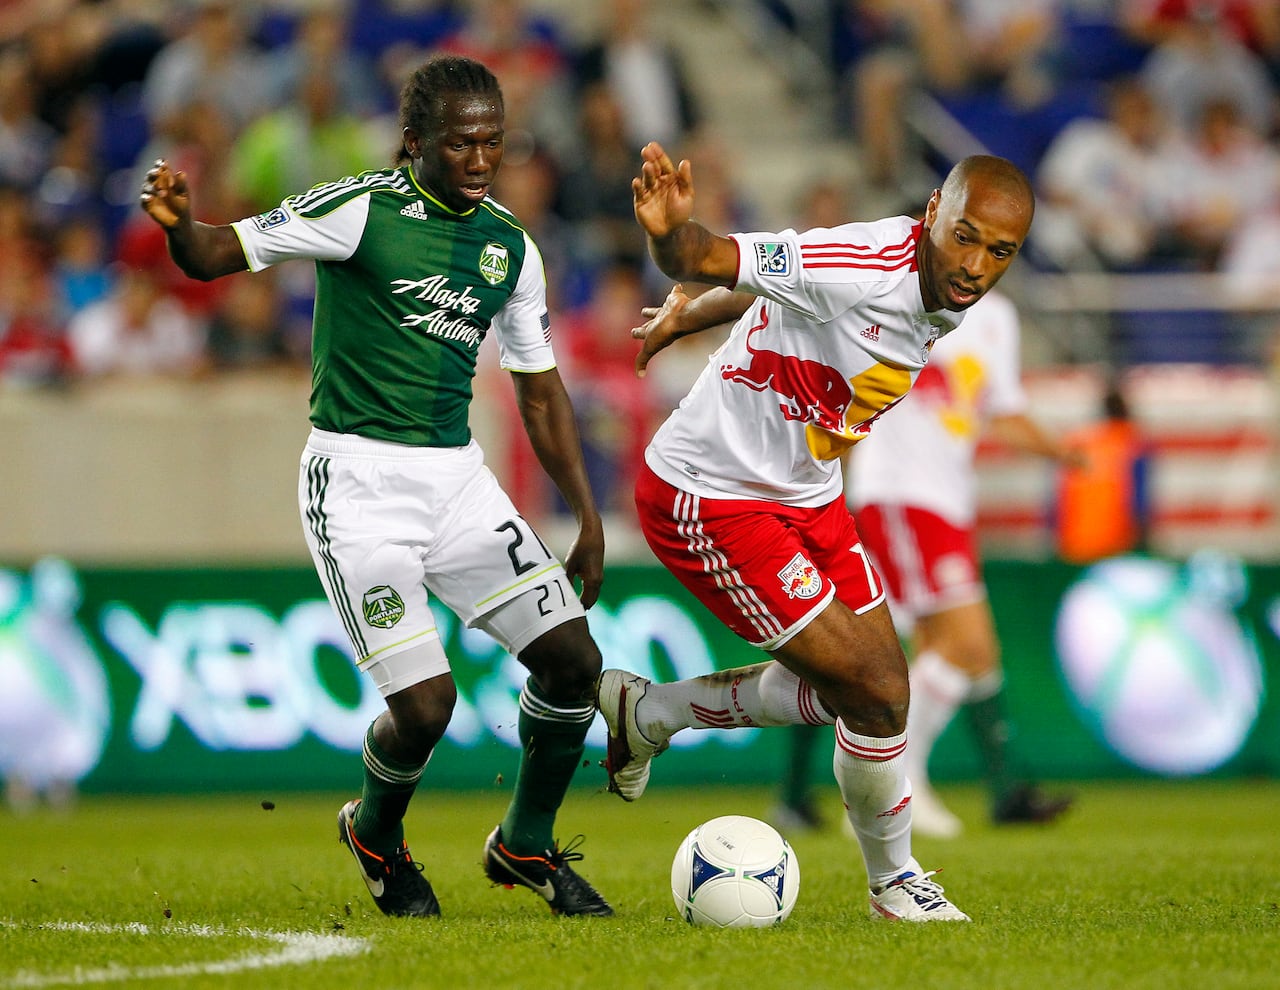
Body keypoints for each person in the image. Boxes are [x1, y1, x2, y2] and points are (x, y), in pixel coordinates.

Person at [139, 54, 613, 919]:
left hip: (458, 480)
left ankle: (525, 843)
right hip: (355, 482)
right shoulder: (358, 208)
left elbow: (538, 391)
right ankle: (376, 835)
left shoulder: (510, 246)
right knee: (427, 707)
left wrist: (585, 512)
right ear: (414, 143)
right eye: (461, 143)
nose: (479, 160)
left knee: (575, 661)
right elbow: (219, 254)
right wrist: (180, 226)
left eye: (493, 143)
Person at [596, 142, 1036, 923]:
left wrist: (696, 312)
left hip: (810, 495)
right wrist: (671, 241)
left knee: (872, 696)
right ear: (934, 212)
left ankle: (652, 713)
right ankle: (894, 885)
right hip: (711, 496)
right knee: (877, 689)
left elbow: (788, 292)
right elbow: (710, 254)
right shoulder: (867, 260)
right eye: (964, 236)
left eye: (999, 251)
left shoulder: (943, 294)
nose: (975, 264)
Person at [843, 289, 1077, 838]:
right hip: (902, 492)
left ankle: (902, 788)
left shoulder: (998, 316)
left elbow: (1002, 412)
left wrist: (1063, 451)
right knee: (965, 643)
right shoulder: (901, 289)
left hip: (946, 499)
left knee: (962, 652)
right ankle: (891, 785)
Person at [1053, 379, 1152, 565]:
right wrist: (1143, 540)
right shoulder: (1132, 442)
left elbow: (1058, 495)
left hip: (1075, 541)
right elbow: (1139, 500)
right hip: (1116, 543)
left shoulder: (1078, 441)